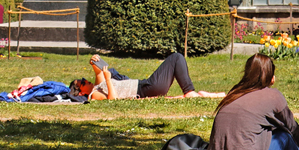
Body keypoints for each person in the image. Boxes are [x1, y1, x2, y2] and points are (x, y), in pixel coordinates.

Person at [85, 54, 223, 100]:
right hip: (144, 89)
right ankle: (189, 91)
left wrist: (93, 61)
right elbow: (112, 100)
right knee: (176, 58)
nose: (86, 80)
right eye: (82, 82)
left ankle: (195, 92)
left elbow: (98, 73)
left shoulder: (97, 86)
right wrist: (109, 80)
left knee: (176, 58)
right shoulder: (93, 95)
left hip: (145, 86)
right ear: (81, 91)